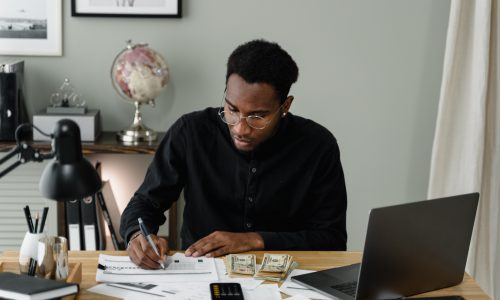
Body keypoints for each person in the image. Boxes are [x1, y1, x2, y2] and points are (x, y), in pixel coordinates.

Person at [120, 39, 347, 270]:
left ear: (285, 105)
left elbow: (332, 239)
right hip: (200, 274)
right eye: (232, 109)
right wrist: (137, 236)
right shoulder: (191, 132)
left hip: (286, 276)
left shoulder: (318, 146)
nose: (240, 128)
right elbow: (145, 202)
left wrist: (254, 240)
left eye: (257, 116)